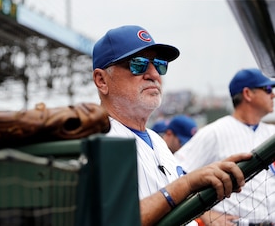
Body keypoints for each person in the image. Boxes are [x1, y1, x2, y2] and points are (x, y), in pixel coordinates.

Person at [92, 25, 251, 226]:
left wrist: (206, 197)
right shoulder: (97, 140)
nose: (154, 74)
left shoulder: (157, 140)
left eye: (159, 64)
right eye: (138, 64)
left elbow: (172, 202)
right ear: (101, 80)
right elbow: (116, 221)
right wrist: (186, 183)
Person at [175, 68, 275, 225]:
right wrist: (205, 214)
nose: (273, 94)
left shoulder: (272, 132)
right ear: (248, 94)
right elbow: (174, 176)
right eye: (267, 89)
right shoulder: (214, 132)